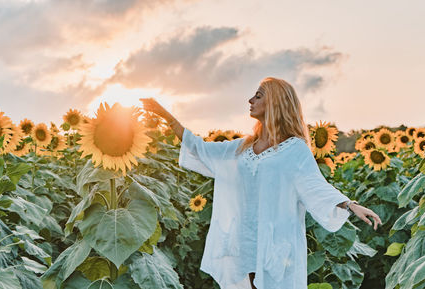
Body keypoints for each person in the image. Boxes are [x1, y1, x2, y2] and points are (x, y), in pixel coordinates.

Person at [140, 77, 382, 289]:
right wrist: (166, 116)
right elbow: (201, 149)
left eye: (258, 95)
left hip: (275, 243)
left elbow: (315, 186)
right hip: (244, 241)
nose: (250, 100)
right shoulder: (242, 147)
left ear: (275, 103)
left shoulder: (294, 149)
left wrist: (350, 205)